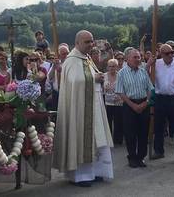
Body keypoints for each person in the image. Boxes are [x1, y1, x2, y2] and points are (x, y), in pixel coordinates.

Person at [54, 30, 113, 187]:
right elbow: (76, 81)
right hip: (79, 110)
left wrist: (99, 76)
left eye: (91, 41)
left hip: (95, 105)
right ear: (77, 43)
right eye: (87, 42)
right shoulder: (72, 60)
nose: (90, 44)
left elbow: (90, 75)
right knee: (81, 139)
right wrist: (94, 78)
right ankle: (81, 176)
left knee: (99, 139)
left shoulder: (86, 58)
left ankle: (97, 172)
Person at [150, 44, 174, 163]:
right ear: (161, 54)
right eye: (167, 53)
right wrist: (148, 64)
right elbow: (148, 77)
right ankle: (159, 151)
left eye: (172, 52)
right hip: (160, 98)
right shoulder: (156, 64)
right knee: (158, 127)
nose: (171, 55)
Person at [115, 49, 153, 167]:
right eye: (135, 57)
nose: (138, 59)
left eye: (139, 57)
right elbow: (120, 92)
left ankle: (141, 157)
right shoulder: (121, 73)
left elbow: (150, 89)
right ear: (127, 59)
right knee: (130, 133)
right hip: (129, 104)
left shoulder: (143, 72)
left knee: (143, 132)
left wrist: (146, 102)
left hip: (143, 104)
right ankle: (132, 157)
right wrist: (133, 106)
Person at [104, 59, 124, 145]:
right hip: (107, 103)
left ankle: (118, 140)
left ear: (117, 66)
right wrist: (104, 89)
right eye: (110, 66)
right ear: (107, 67)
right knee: (107, 122)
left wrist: (121, 98)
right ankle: (108, 140)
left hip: (119, 102)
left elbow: (125, 88)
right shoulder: (103, 76)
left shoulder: (121, 76)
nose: (112, 68)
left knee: (118, 122)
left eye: (114, 66)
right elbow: (99, 89)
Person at [47, 45, 70, 110]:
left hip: (68, 92)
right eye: (63, 54)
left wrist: (61, 71)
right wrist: (54, 67)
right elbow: (50, 78)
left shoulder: (71, 65)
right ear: (59, 55)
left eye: (67, 53)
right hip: (56, 93)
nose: (66, 55)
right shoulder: (56, 64)